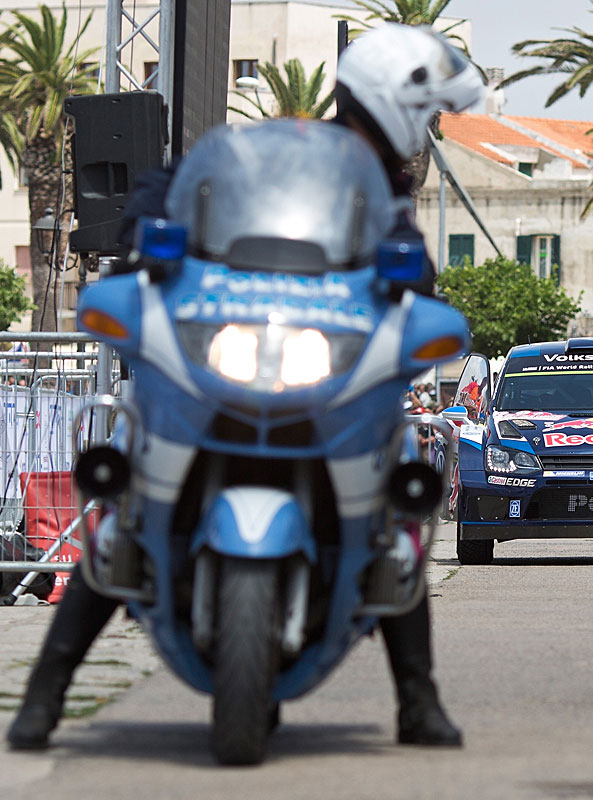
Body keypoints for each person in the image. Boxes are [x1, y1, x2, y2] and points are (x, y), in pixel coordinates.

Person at [7, 24, 484, 752]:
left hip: (326, 383)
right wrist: (144, 239)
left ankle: (418, 701)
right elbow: (174, 187)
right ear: (392, 105)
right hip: (224, 359)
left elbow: (415, 277)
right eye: (424, 115)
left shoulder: (382, 198)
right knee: (124, 508)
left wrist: (418, 301)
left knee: (394, 517)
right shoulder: (274, 155)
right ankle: (44, 694)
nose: (426, 134)